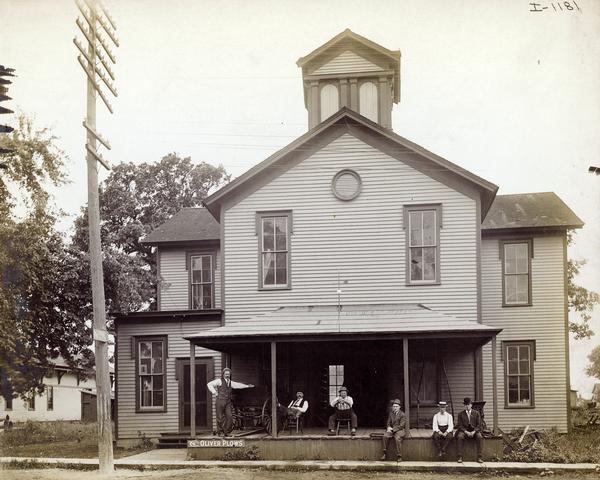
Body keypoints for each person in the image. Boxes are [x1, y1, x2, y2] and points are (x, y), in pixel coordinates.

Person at [206, 367, 254, 437]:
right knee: (220, 418)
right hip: (220, 401)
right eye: (226, 374)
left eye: (228, 374)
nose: (227, 375)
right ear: (223, 374)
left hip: (227, 401)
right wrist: (215, 392)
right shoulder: (219, 381)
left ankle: (226, 431)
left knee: (230, 417)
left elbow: (238, 385)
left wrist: (247, 386)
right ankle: (220, 432)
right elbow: (209, 384)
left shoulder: (230, 382)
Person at [455, 397, 483, 463]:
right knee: (459, 437)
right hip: (464, 431)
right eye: (466, 405)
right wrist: (466, 432)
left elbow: (479, 425)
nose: (467, 406)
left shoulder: (476, 413)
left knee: (479, 437)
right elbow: (460, 425)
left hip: (474, 431)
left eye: (468, 404)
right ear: (464, 406)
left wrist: (474, 431)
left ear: (471, 405)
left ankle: (479, 457)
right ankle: (460, 457)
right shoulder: (461, 414)